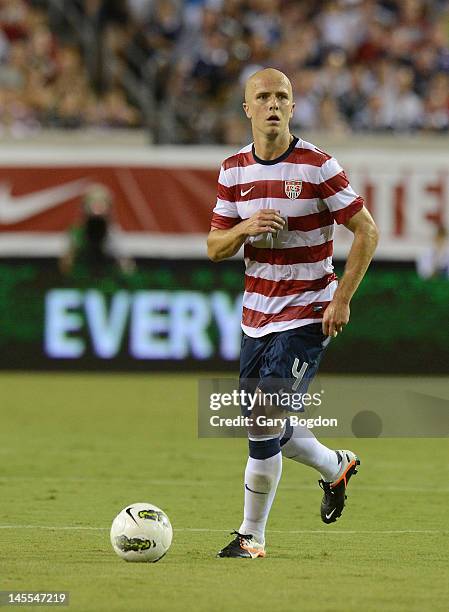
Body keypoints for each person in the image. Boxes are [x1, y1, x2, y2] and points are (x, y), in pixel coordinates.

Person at [207, 68, 379, 558]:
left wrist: (342, 298)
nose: (273, 104)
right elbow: (214, 246)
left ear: (293, 106)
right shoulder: (233, 169)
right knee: (270, 427)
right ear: (247, 108)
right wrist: (244, 229)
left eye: (282, 96)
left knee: (264, 417)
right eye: (263, 97)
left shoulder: (318, 165)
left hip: (308, 312)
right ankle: (335, 465)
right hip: (255, 318)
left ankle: (251, 536)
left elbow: (366, 231)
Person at [59, 183, 134, 277]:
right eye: (93, 201)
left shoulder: (113, 233)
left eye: (102, 201)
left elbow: (126, 265)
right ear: (85, 206)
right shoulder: (76, 232)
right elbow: (66, 264)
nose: (97, 205)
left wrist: (124, 265)